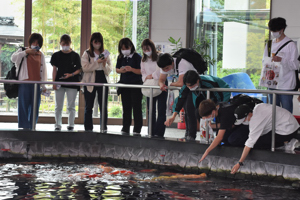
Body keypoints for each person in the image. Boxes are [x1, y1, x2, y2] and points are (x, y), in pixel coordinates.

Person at [230, 103, 299, 174]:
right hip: (291, 124)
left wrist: (239, 163)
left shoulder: (256, 121)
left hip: (287, 130)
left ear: (249, 114)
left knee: (258, 143)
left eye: (243, 120)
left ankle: (287, 143)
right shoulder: (258, 106)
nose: (244, 122)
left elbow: (249, 144)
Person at [165, 70, 231, 141]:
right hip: (203, 95)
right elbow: (180, 99)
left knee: (218, 115)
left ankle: (220, 136)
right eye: (188, 86)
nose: (190, 87)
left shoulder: (209, 83)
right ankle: (192, 135)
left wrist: (216, 107)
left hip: (221, 94)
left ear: (198, 81)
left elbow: (220, 97)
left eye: (191, 85)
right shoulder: (188, 86)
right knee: (195, 110)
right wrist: (173, 116)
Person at [11, 33, 47, 130]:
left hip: (36, 84)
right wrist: (26, 52)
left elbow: (43, 71)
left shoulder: (41, 54)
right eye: (34, 42)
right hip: (24, 83)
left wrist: (44, 86)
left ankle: (32, 126)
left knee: (35, 106)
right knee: (23, 106)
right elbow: (13, 59)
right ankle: (24, 127)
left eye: (38, 43)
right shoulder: (23, 50)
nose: (36, 44)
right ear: (30, 42)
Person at [263, 17, 299, 113]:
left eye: (275, 30)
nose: (273, 32)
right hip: (271, 82)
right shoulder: (269, 44)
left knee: (286, 112)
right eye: (271, 30)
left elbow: (295, 65)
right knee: (273, 111)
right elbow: (264, 61)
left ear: (282, 29)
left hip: (286, 85)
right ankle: (274, 128)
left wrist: (281, 60)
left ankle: (287, 128)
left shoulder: (291, 45)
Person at [81, 32, 112, 132]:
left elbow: (109, 70)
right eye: (95, 42)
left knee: (103, 106)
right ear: (92, 42)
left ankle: (104, 128)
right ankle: (88, 129)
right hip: (90, 80)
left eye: (99, 42)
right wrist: (96, 62)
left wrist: (103, 63)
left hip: (103, 79)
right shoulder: (87, 53)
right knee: (88, 106)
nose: (97, 44)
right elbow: (85, 68)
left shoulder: (105, 53)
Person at [51, 34, 82, 131]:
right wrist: (54, 82)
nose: (65, 45)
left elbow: (79, 69)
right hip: (59, 82)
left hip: (72, 83)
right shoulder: (56, 55)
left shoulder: (75, 55)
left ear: (70, 43)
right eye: (63, 44)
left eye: (67, 44)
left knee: (71, 105)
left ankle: (71, 124)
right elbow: (54, 69)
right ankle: (58, 124)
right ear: (60, 43)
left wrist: (71, 74)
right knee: (58, 105)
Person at [141, 39, 168, 138]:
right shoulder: (143, 59)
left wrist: (151, 75)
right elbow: (143, 72)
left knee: (161, 109)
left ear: (152, 47)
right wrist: (146, 77)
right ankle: (151, 131)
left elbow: (160, 70)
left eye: (147, 48)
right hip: (149, 86)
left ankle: (159, 132)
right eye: (144, 49)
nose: (146, 51)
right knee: (151, 110)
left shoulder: (160, 56)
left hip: (161, 83)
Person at [116, 38, 143, 136]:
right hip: (124, 85)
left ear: (131, 46)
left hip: (136, 84)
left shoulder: (137, 57)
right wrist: (121, 70)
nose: (124, 50)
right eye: (122, 48)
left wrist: (131, 69)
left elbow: (141, 71)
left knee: (137, 107)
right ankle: (125, 127)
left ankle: (137, 128)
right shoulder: (120, 57)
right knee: (126, 107)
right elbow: (117, 69)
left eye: (126, 48)